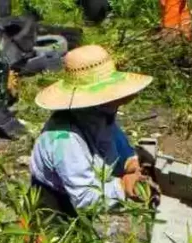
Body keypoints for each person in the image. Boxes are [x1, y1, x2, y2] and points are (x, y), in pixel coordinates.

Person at [30, 45, 153, 216]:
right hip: (54, 201)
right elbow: (84, 199)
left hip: (75, 190)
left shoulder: (98, 115)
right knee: (55, 238)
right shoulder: (65, 139)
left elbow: (114, 141)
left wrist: (131, 163)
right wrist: (124, 186)